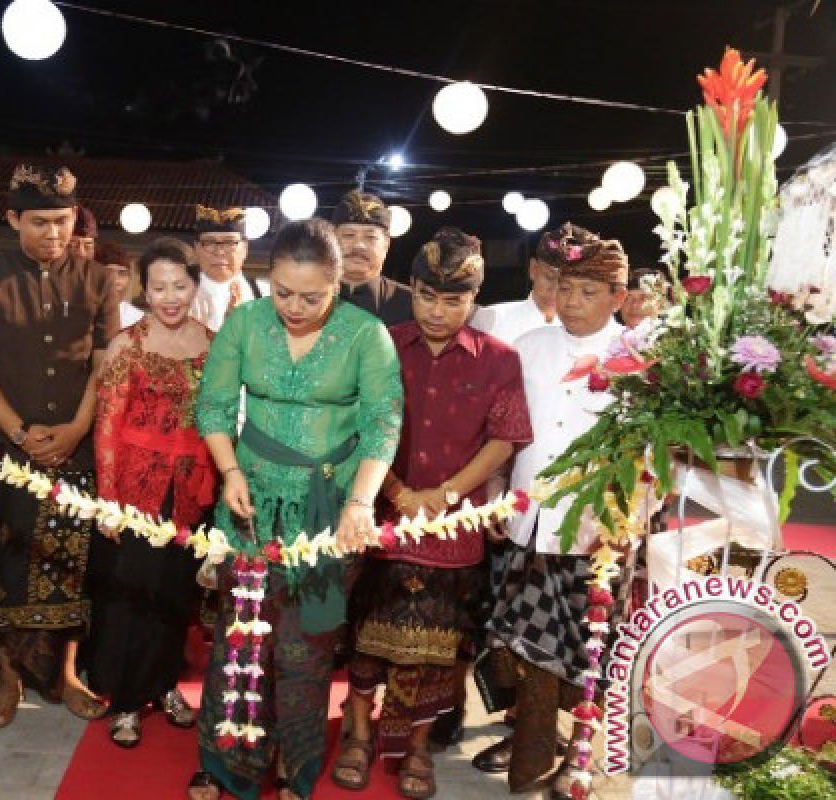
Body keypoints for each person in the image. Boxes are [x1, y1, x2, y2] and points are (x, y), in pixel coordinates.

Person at [188, 218, 403, 800]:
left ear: (337, 284)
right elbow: (211, 408)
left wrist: (360, 500)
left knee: (305, 643)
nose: (294, 306)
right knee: (242, 631)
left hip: (328, 505)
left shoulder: (366, 334)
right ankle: (227, 758)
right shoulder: (245, 322)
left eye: (312, 296)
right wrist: (229, 471)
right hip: (251, 500)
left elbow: (382, 425)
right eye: (282, 291)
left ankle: (293, 760)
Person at [336, 228, 532, 799]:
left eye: (453, 300)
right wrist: (397, 492)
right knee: (367, 640)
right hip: (378, 515)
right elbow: (354, 424)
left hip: (453, 525)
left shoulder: (499, 359)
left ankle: (417, 745)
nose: (438, 311)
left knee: (439, 649)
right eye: (427, 296)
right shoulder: (380, 344)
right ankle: (356, 731)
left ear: (474, 300)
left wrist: (444, 494)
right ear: (412, 290)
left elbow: (503, 440)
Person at [0, 165, 119, 728]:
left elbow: (104, 365)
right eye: (41, 222)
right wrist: (21, 433)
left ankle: (67, 673)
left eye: (64, 220)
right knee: (5, 557)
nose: (55, 233)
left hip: (76, 443)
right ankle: (9, 675)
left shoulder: (97, 279)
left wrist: (75, 429)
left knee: (71, 559)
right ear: (12, 220)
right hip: (5, 445)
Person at [478, 223, 628, 797]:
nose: (570, 302)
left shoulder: (637, 359)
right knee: (519, 644)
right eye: (565, 289)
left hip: (594, 534)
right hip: (523, 522)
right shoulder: (531, 348)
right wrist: (494, 490)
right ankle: (531, 748)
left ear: (618, 296)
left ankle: (575, 747)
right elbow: (505, 433)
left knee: (588, 650)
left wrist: (631, 514)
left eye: (587, 292)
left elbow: (652, 455)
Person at [86, 237, 217, 747]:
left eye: (179, 285)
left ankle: (163, 684)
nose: (169, 296)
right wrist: (108, 500)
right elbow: (107, 426)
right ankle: (124, 700)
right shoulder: (128, 344)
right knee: (131, 593)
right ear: (144, 289)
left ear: (194, 286)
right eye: (158, 286)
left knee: (174, 591)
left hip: (191, 485)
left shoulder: (212, 342)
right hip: (135, 486)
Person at [332, 189, 411, 325]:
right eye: (349, 235)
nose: (359, 246)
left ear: (386, 244)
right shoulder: (307, 297)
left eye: (370, 237)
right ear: (332, 239)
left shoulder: (410, 303)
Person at [190, 205, 268, 332]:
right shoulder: (180, 297)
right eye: (209, 242)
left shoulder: (265, 294)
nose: (219, 251)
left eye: (230, 242)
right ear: (196, 248)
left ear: (245, 248)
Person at [469, 242, 560, 344]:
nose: (556, 288)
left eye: (565, 283)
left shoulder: (578, 327)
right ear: (533, 268)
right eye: (550, 277)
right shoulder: (493, 317)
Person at [96, 240, 144, 329]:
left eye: (122, 273)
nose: (116, 281)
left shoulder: (138, 319)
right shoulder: (83, 313)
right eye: (108, 272)